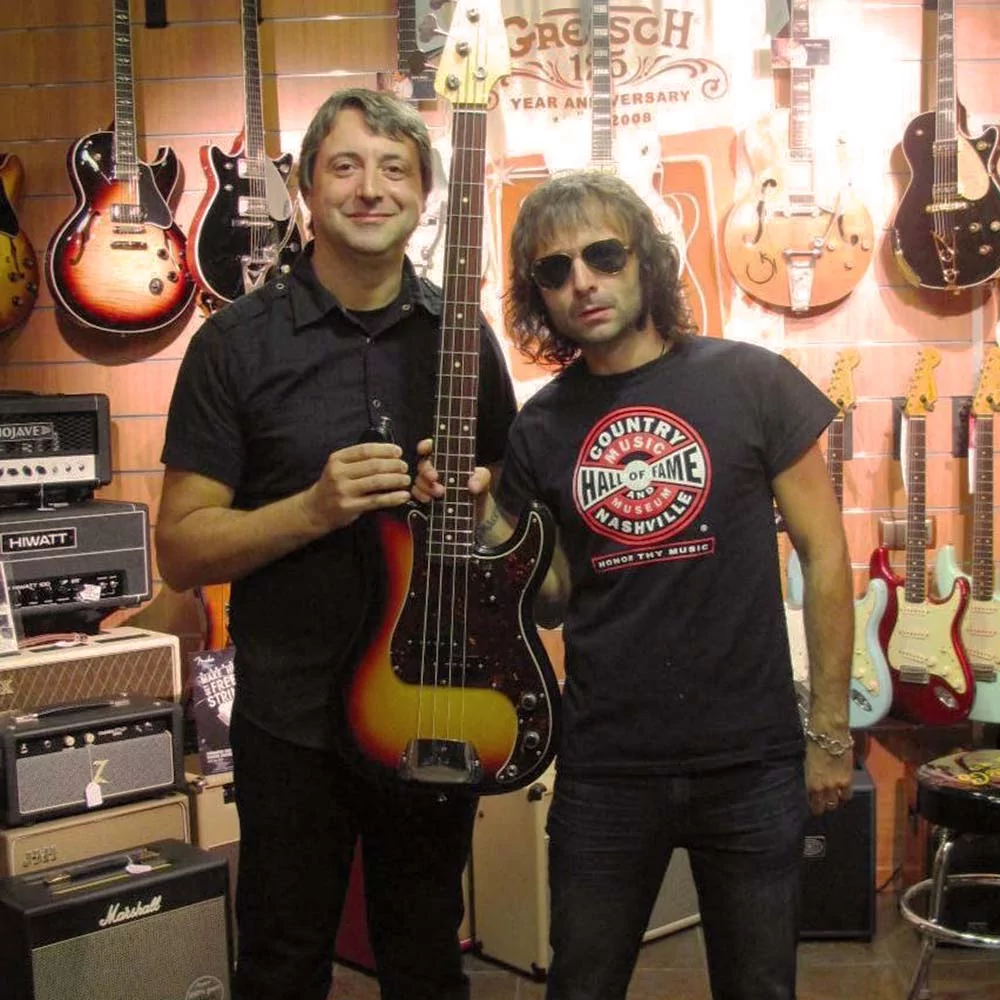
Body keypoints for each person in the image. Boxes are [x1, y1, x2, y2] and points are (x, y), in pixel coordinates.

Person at [414, 169, 854, 1000]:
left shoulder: (753, 381)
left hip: (750, 761)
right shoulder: (540, 427)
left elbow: (827, 557)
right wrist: (483, 518)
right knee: (581, 985)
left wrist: (830, 730)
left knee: (760, 989)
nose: (582, 281)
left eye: (603, 255)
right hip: (607, 765)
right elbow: (550, 598)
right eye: (554, 270)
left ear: (646, 260)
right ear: (539, 296)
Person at [155, 87, 518, 1000]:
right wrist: (311, 510)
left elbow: (509, 520)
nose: (370, 188)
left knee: (426, 956)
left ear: (425, 194)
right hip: (291, 719)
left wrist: (476, 504)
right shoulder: (234, 346)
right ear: (306, 189)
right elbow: (182, 551)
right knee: (282, 960)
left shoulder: (464, 340)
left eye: (395, 168)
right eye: (345, 166)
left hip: (432, 703)